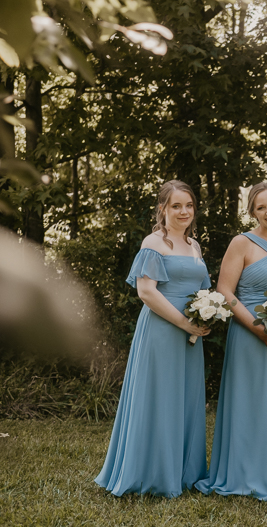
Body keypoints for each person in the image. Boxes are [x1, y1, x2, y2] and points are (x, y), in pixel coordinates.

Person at [95, 179, 211, 497]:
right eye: (176, 205)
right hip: (162, 330)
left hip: (191, 333)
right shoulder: (153, 243)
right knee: (159, 398)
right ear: (163, 209)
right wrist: (184, 323)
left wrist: (206, 313)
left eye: (188, 205)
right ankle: (152, 474)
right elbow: (146, 292)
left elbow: (202, 289)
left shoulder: (194, 246)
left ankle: (184, 472)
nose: (184, 211)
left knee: (184, 399)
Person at [195, 182, 267, 499]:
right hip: (249, 334)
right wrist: (258, 327)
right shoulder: (241, 243)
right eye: (261, 207)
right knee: (251, 403)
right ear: (252, 212)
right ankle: (244, 474)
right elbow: (225, 291)